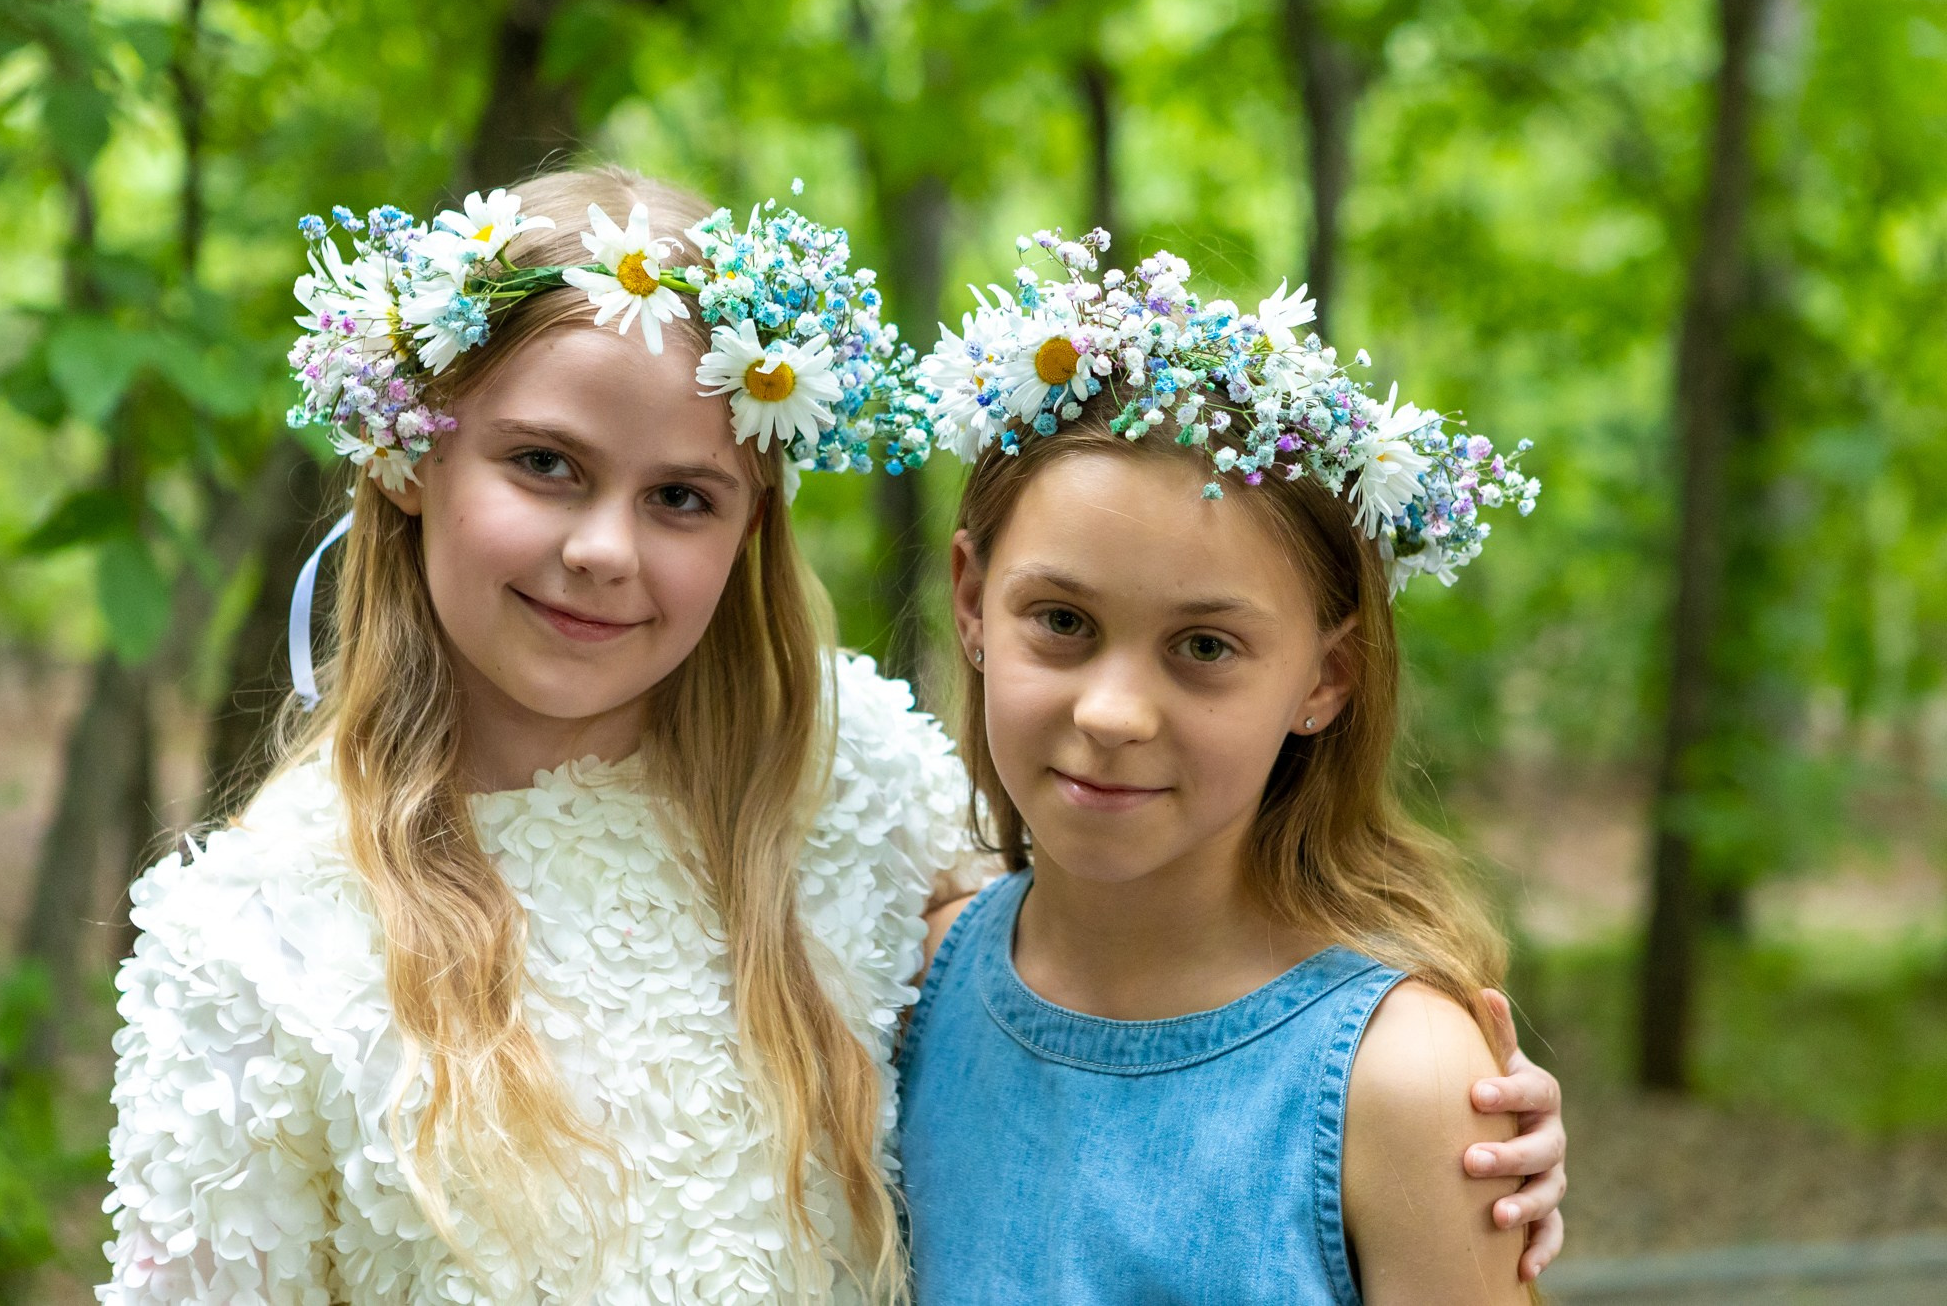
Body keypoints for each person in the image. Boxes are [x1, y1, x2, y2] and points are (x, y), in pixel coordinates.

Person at [100, 176, 1563, 1304]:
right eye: (545, 466)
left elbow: (1118, 989)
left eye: (683, 496)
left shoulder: (843, 771)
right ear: (408, 451)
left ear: (747, 524)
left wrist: (1422, 1134)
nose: (605, 549)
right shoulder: (254, 936)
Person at [896, 229, 1557, 1303]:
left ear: (1323, 678)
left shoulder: (1401, 1083)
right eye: (1060, 619)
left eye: (1204, 647)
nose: (1112, 712)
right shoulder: (912, 981)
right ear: (971, 602)